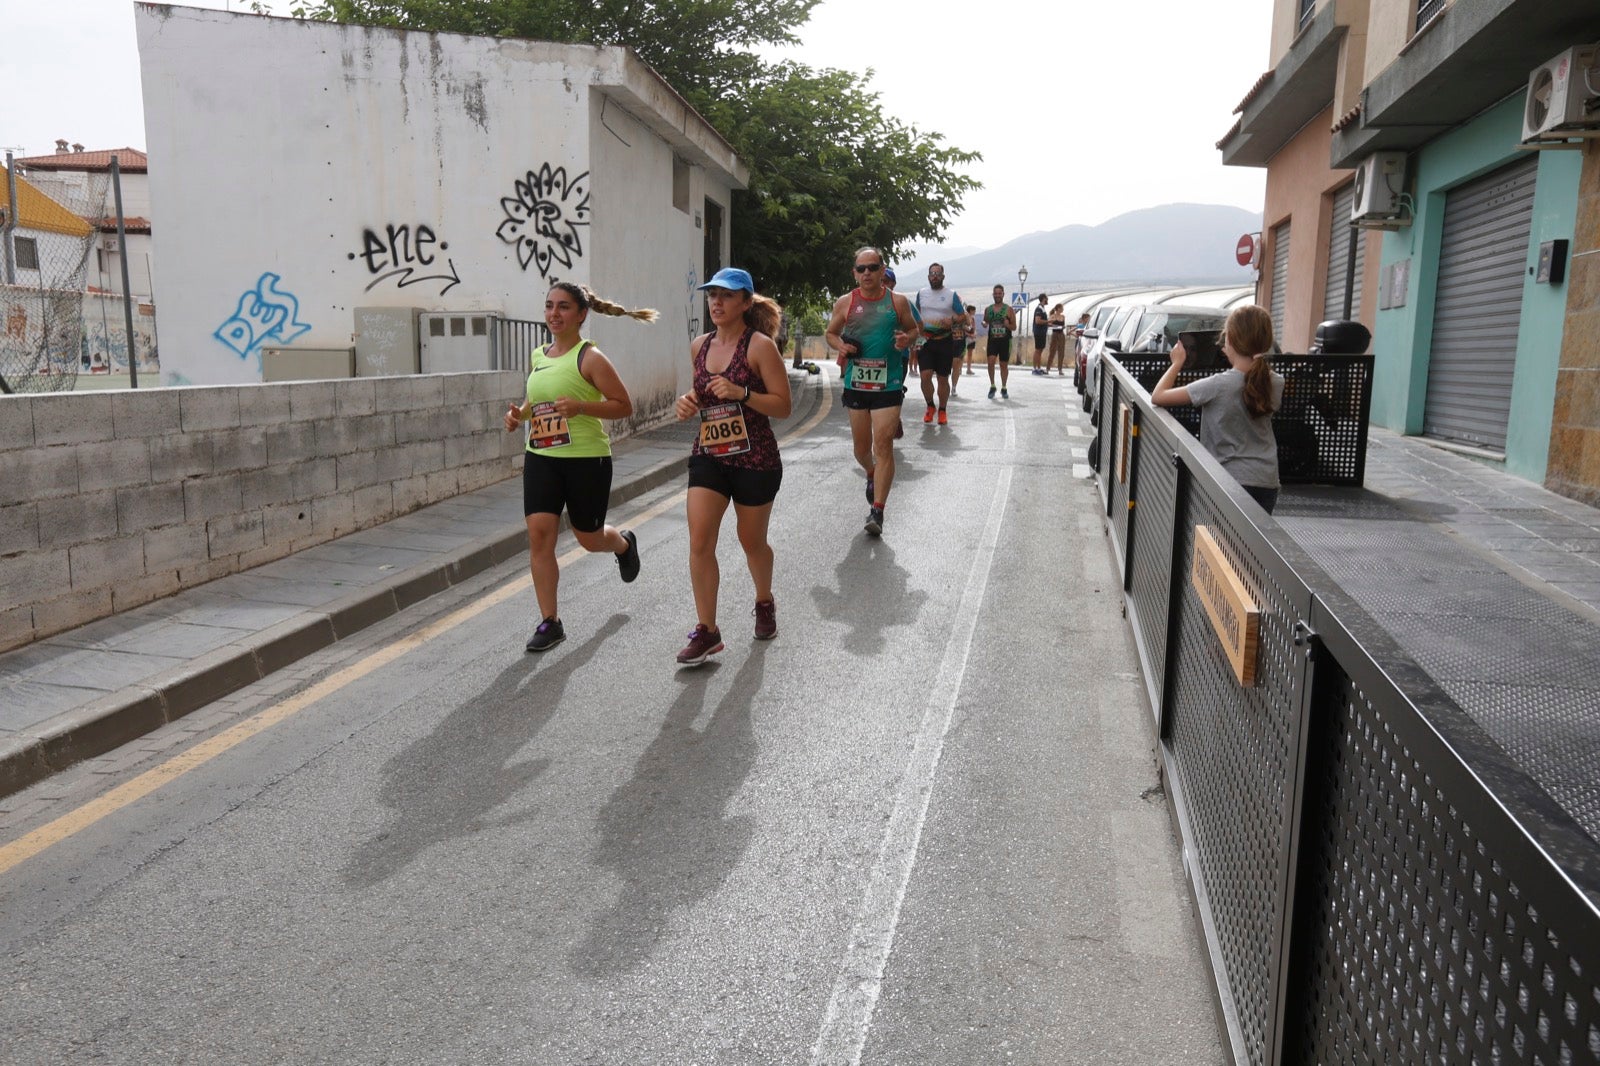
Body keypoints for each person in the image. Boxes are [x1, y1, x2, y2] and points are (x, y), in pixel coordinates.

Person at [503, 282, 656, 652]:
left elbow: (623, 405)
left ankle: (621, 544)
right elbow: (536, 400)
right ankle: (550, 622)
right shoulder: (540, 354)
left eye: (564, 307)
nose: (554, 314)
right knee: (540, 536)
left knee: (589, 539)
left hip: (586, 461)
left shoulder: (591, 358)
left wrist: (581, 407)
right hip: (541, 457)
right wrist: (518, 415)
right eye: (549, 306)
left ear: (582, 314)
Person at [673, 267, 793, 666]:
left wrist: (743, 393)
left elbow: (783, 404)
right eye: (712, 296)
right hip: (710, 455)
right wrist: (687, 402)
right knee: (700, 540)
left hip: (755, 458)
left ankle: (764, 602)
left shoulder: (759, 346)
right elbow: (701, 392)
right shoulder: (699, 346)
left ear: (745, 302)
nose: (717, 303)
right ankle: (707, 630)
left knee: (751, 541)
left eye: (726, 296)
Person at [1151, 304, 1284, 514]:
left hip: (1228, 482)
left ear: (1229, 340)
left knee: (1219, 545)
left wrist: (1177, 363)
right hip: (1266, 481)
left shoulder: (1217, 385)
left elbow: (1158, 396)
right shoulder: (1276, 382)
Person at [826, 246, 920, 536]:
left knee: (884, 446)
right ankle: (870, 471)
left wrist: (908, 339)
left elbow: (915, 330)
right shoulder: (846, 302)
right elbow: (830, 333)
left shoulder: (898, 302)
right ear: (854, 273)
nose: (867, 273)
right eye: (861, 268)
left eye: (872, 267)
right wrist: (839, 345)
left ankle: (877, 511)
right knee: (861, 449)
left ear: (882, 270)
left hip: (888, 383)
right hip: (856, 383)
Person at [914, 263, 964, 424]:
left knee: (943, 379)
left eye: (938, 273)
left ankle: (942, 410)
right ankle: (930, 406)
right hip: (926, 341)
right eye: (932, 273)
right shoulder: (921, 293)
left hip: (944, 341)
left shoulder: (951, 294)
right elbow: (916, 315)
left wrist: (952, 319)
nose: (935, 276)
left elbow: (962, 316)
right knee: (925, 376)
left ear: (943, 276)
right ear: (928, 277)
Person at [983, 284, 1017, 399]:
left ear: (1003, 294)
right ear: (993, 295)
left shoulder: (1008, 309)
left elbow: (1014, 327)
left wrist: (1008, 325)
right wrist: (984, 324)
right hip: (992, 341)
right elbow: (985, 321)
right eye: (995, 293)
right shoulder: (988, 309)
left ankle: (1004, 387)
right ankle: (992, 385)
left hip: (1005, 341)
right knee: (991, 362)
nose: (997, 295)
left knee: (1003, 365)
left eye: (999, 293)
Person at [1030, 292, 1050, 375]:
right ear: (1043, 299)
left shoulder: (1043, 308)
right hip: (1039, 332)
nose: (1047, 300)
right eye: (1046, 299)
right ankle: (1035, 368)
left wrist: (1048, 323)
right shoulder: (1039, 309)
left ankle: (1039, 367)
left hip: (1042, 332)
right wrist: (1048, 321)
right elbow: (1037, 321)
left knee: (1040, 350)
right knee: (1038, 350)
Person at [1046, 302, 1067, 375]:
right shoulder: (1052, 316)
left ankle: (1060, 369)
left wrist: (1063, 327)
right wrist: (1054, 325)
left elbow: (1063, 324)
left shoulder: (1063, 316)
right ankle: (1048, 368)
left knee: (1061, 352)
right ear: (1058, 309)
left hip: (1061, 334)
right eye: (1061, 308)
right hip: (1055, 334)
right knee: (1052, 351)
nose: (1062, 309)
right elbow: (1048, 324)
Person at [1072, 311, 1091, 388]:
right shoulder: (1081, 326)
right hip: (1081, 342)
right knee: (1078, 360)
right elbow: (1076, 333)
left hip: (1085, 343)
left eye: (1089, 319)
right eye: (1087, 319)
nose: (1088, 320)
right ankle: (1076, 377)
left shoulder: (1090, 327)